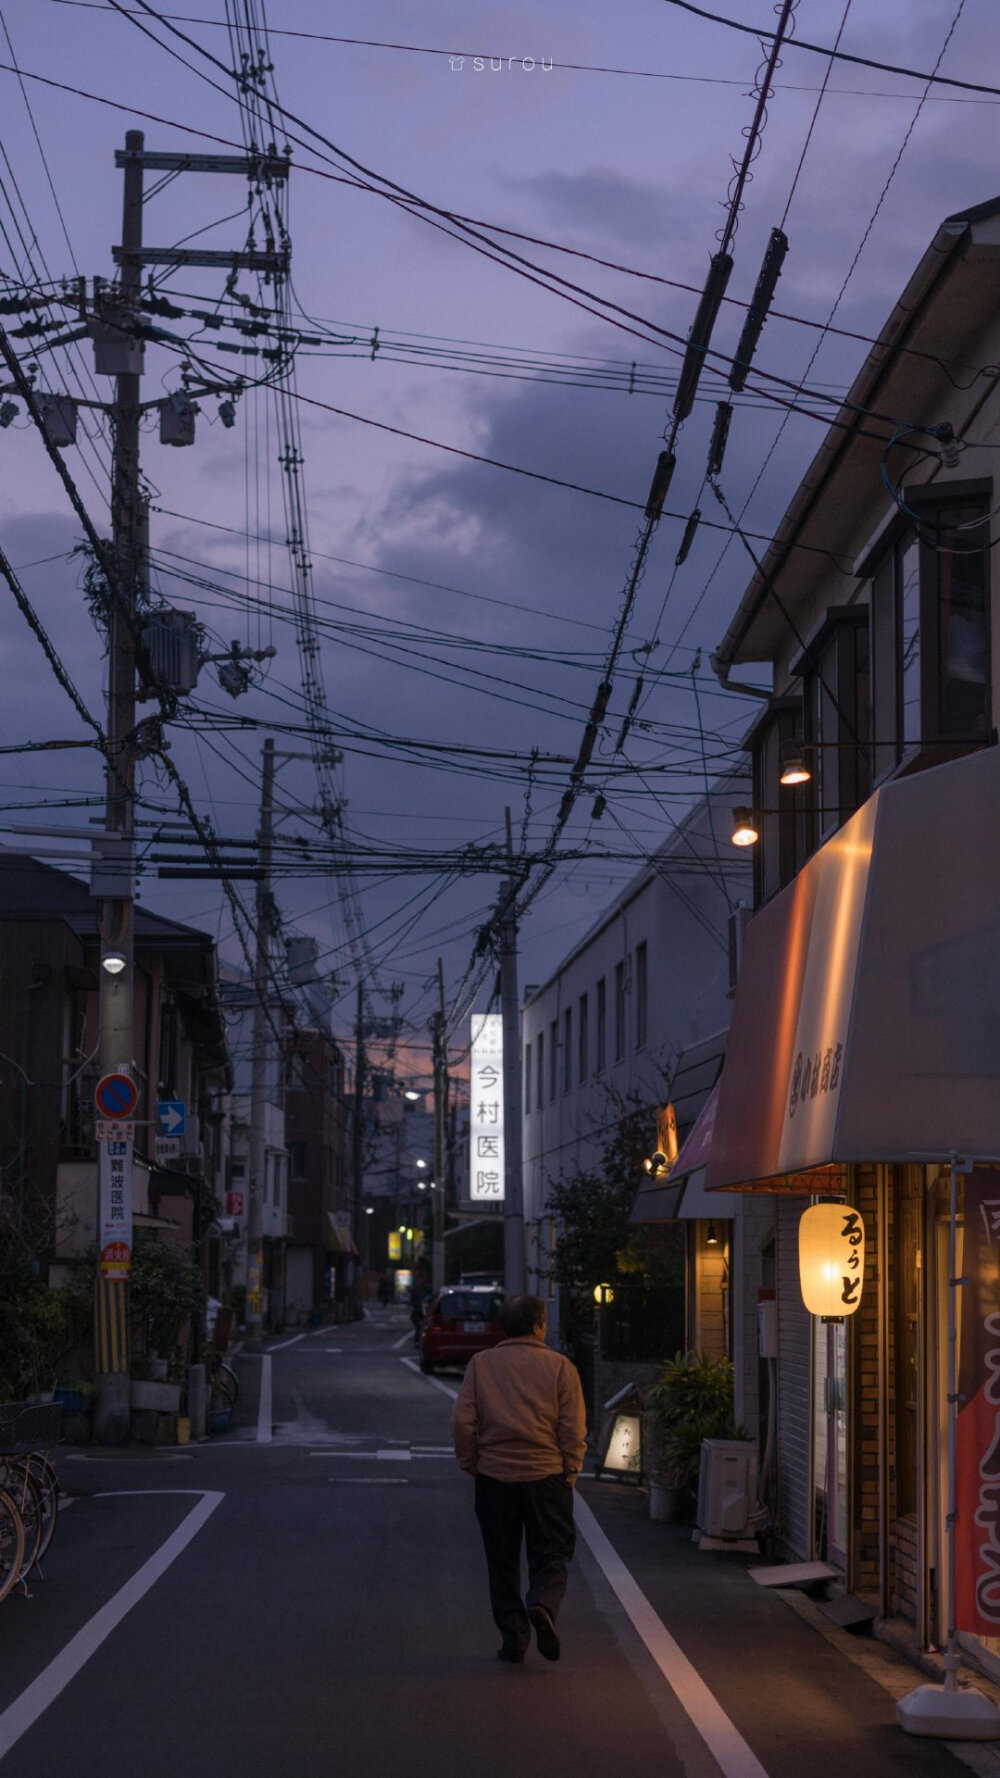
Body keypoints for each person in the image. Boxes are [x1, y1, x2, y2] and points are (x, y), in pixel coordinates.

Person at [451, 1293, 587, 1665]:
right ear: (539, 1325)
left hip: (495, 1477)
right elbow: (572, 1429)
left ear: (504, 1326)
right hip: (546, 1476)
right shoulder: (561, 1367)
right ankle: (542, 1603)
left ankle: (513, 1639)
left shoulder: (481, 1364)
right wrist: (569, 1472)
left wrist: (472, 1463)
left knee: (502, 1561)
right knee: (551, 1554)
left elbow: (462, 1422)